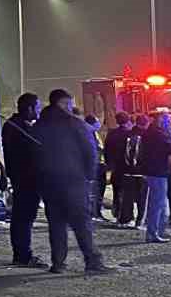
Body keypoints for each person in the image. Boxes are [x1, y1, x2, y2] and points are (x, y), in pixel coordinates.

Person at [35, 89, 111, 273]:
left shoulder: (39, 126)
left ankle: (58, 263)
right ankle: (92, 261)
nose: (72, 108)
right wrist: (88, 176)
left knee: (56, 224)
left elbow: (33, 156)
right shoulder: (75, 124)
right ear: (62, 104)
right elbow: (90, 152)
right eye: (69, 104)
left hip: (49, 183)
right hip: (74, 182)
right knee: (82, 223)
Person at [1, 92, 46, 266]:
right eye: (38, 107)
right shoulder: (19, 128)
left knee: (22, 217)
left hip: (22, 178)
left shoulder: (13, 125)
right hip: (26, 179)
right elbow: (31, 151)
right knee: (23, 217)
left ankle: (21, 253)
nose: (39, 111)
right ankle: (23, 255)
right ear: (29, 108)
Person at [139, 112, 171, 243]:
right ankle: (153, 232)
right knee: (157, 203)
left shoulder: (149, 132)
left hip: (152, 171)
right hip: (158, 170)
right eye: (166, 120)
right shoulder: (158, 134)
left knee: (158, 202)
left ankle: (159, 230)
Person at [103, 111, 133, 225]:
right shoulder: (128, 134)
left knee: (117, 191)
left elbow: (107, 150)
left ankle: (117, 213)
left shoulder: (111, 134)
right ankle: (125, 216)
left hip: (115, 168)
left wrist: (109, 164)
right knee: (126, 193)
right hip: (126, 168)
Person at [83, 113, 107, 219]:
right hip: (94, 165)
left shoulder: (94, 132)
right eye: (97, 122)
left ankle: (96, 211)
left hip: (99, 164)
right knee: (94, 190)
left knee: (99, 190)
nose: (99, 124)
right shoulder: (88, 133)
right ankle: (94, 212)